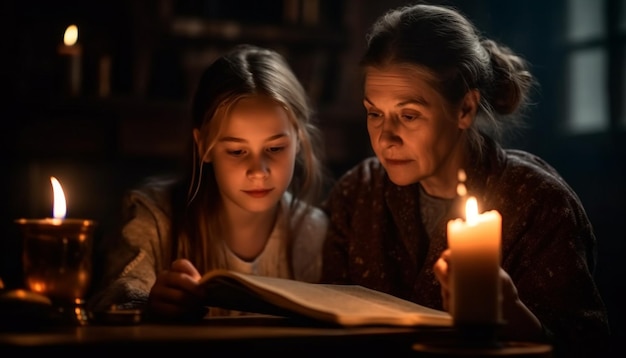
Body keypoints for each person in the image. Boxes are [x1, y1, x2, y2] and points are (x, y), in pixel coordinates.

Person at [320, 3, 610, 357]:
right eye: (374, 113)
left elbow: (587, 347)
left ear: (465, 109)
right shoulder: (356, 193)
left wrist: (512, 313)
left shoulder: (539, 202)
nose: (385, 138)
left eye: (408, 115)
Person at [88, 44, 329, 320]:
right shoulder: (155, 219)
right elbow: (113, 301)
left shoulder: (313, 234)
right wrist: (150, 305)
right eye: (237, 151)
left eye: (275, 149)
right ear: (204, 146)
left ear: (299, 140)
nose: (258, 171)